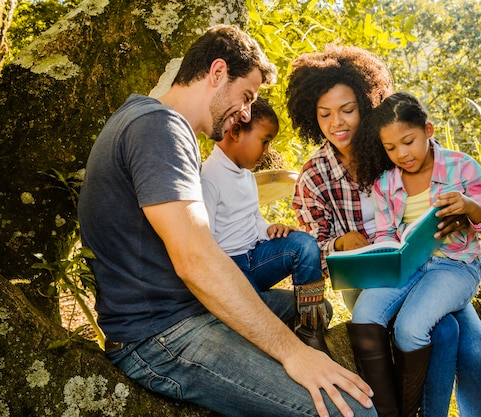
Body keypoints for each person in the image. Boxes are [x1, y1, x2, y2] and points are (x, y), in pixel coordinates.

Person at [77, 25, 376, 417]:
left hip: (184, 312)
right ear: (217, 73)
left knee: (305, 309)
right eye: (246, 96)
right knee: (352, 410)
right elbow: (196, 259)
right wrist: (295, 355)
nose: (247, 112)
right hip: (160, 336)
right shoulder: (159, 128)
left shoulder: (147, 118)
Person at [286, 44, 481, 417]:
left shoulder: (393, 147)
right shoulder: (314, 175)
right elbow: (310, 246)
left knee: (476, 351)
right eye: (325, 114)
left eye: (348, 110)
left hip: (436, 264)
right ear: (311, 116)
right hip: (373, 276)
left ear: (366, 104)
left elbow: (444, 173)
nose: (338, 122)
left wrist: (465, 211)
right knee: (441, 332)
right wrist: (337, 242)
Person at [350, 91, 481, 416]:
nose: (401, 154)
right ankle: (391, 411)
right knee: (364, 313)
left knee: (411, 328)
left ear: (428, 131)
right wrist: (381, 255)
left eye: (408, 142)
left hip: (454, 267)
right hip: (409, 265)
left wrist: (470, 206)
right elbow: (386, 234)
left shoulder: (461, 167)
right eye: (390, 148)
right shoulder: (386, 183)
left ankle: (415, 410)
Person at [200, 96, 331, 354]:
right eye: (265, 141)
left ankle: (309, 330)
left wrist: (268, 228)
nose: (267, 151)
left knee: (304, 245)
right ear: (236, 131)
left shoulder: (246, 177)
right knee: (254, 312)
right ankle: (254, 321)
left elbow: (253, 219)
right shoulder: (208, 177)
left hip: (256, 259)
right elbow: (205, 241)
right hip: (231, 272)